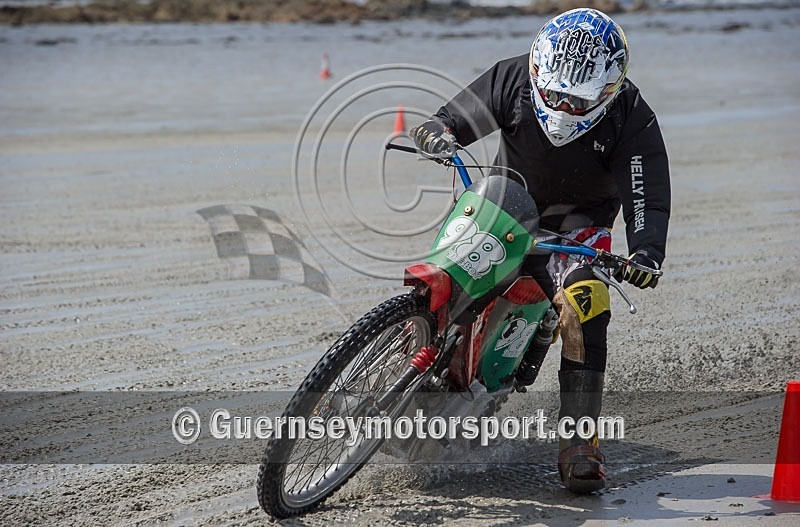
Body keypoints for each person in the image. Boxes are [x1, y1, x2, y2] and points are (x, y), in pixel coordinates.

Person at [410, 8, 670, 494]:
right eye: (552, 93)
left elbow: (646, 194)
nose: (563, 106)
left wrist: (646, 253)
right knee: (445, 271)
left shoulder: (633, 117)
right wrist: (437, 131)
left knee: (588, 303)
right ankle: (376, 370)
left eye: (578, 100)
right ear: (537, 70)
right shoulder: (512, 76)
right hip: (503, 204)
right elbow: (454, 120)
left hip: (577, 232)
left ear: (608, 92)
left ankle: (579, 442)